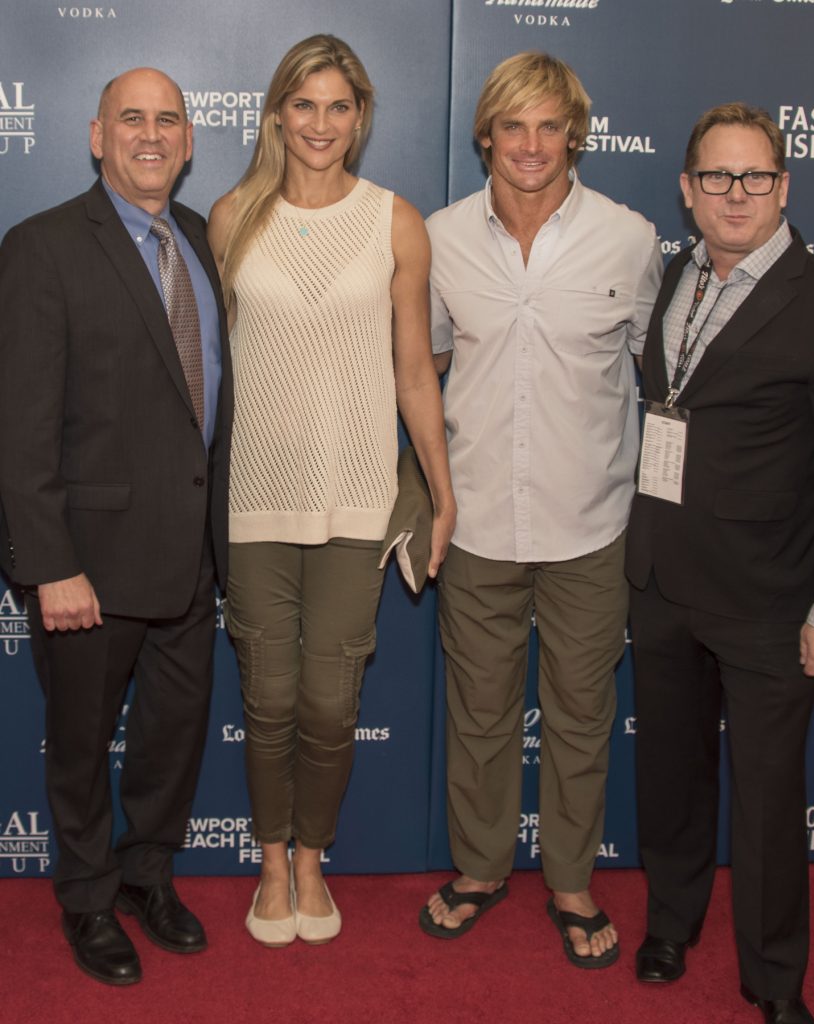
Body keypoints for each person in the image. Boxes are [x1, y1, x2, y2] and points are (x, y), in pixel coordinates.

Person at [625, 103, 814, 1024]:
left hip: (771, 599)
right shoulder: (675, 278)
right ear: (687, 190)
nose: (733, 195)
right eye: (714, 178)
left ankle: (775, 980)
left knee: (771, 800)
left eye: (753, 178)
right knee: (669, 774)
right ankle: (671, 920)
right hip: (660, 580)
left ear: (784, 186)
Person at [207, 34, 455, 948]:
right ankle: (271, 861)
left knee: (327, 700)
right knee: (266, 698)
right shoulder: (232, 216)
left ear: (361, 116)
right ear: (277, 113)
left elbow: (415, 374)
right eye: (304, 105)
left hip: (355, 495)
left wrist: (441, 489)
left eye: (339, 106)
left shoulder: (396, 221)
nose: (321, 124)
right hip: (253, 501)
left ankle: (315, 855)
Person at [419, 52, 662, 968]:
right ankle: (480, 869)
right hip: (475, 519)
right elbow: (429, 366)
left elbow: (657, 374)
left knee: (581, 712)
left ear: (575, 135)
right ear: (487, 133)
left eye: (549, 125)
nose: (530, 145)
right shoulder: (438, 238)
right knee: (478, 710)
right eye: (512, 125)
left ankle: (569, 880)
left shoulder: (631, 240)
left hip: (592, 523)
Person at [0, 69, 233, 985]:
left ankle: (147, 876)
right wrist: (51, 563)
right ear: (97, 136)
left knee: (173, 743)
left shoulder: (205, 240)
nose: (150, 134)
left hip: (191, 561)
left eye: (166, 119)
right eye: (130, 119)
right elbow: (19, 427)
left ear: (187, 140)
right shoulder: (43, 247)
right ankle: (88, 898)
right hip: (87, 568)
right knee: (83, 746)